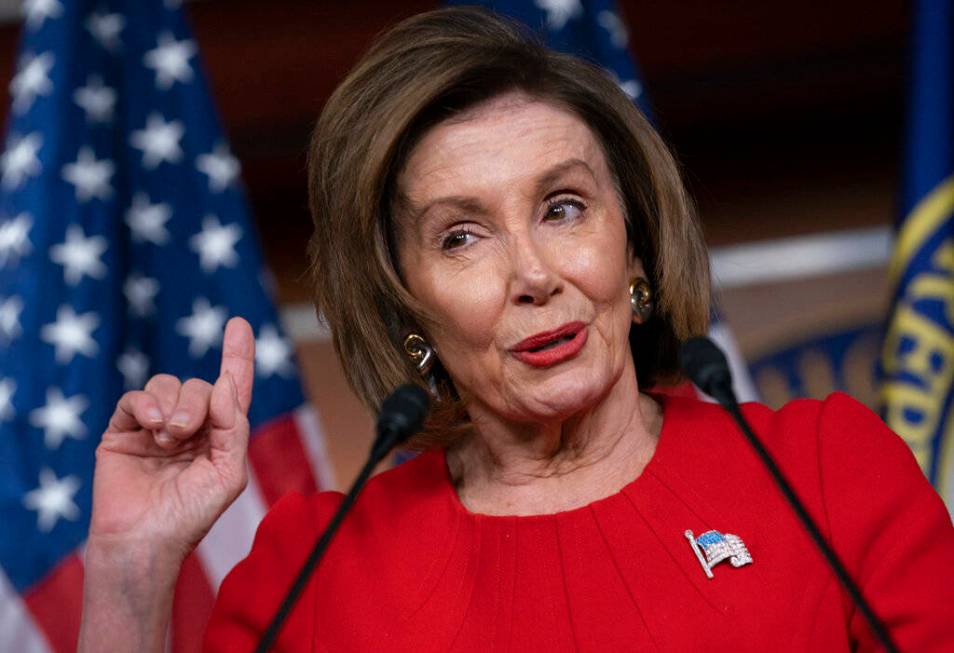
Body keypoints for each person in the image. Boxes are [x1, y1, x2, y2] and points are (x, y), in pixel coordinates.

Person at [79, 7, 954, 652]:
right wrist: (131, 568)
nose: (534, 275)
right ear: (404, 302)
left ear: (636, 249)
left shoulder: (825, 473)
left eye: (563, 207)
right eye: (461, 235)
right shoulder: (314, 573)